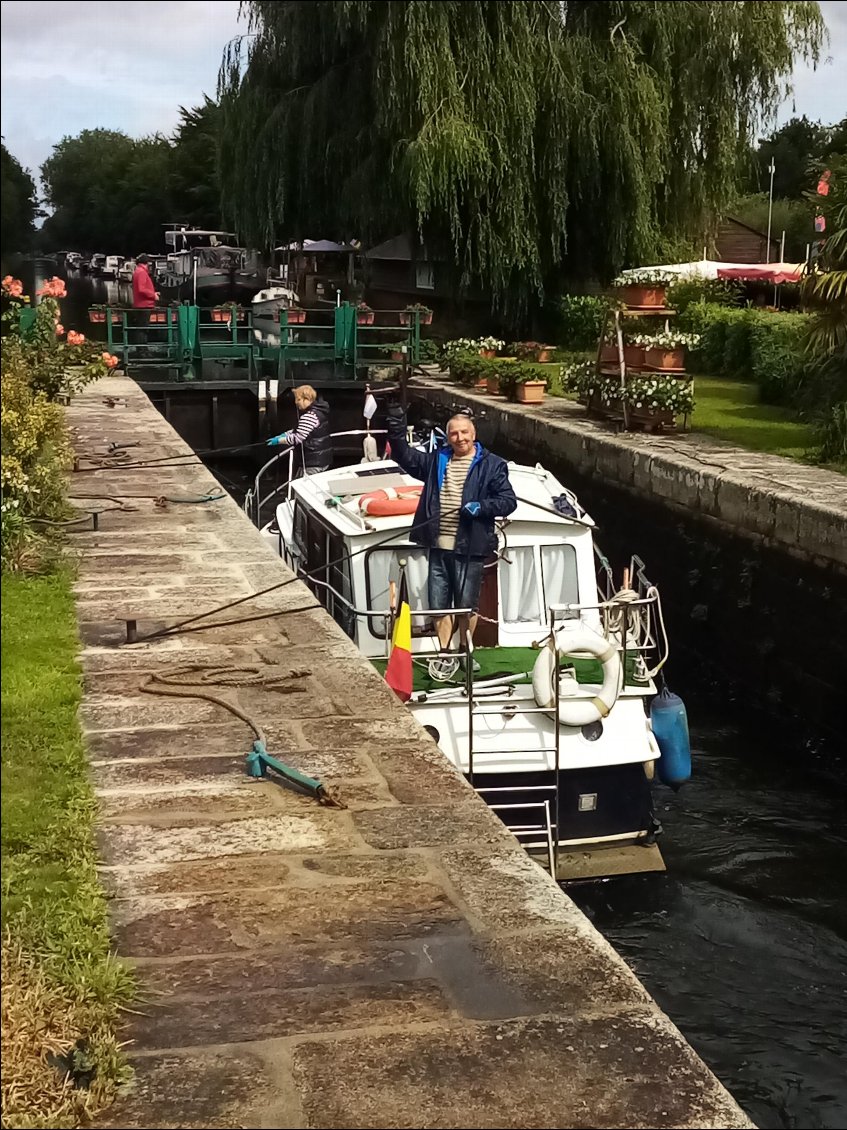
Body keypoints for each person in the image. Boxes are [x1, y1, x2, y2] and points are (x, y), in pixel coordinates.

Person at [386, 405, 517, 653]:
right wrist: (396, 424)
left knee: (467, 606)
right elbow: (404, 456)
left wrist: (481, 507)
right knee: (438, 605)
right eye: (454, 434)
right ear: (448, 437)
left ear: (474, 434)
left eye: (465, 432)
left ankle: (465, 651)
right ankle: (445, 652)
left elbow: (509, 501)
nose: (460, 438)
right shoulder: (437, 459)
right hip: (438, 546)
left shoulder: (493, 465)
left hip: (471, 547)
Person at [267, 384, 333, 475]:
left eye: (298, 399)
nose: (295, 402)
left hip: (313, 463)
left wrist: (278, 441)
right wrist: (284, 434)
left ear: (306, 399)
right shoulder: (319, 412)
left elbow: (297, 438)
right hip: (322, 460)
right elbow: (300, 430)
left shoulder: (309, 416)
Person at [131, 254, 159, 344]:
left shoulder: (138, 271)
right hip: (144, 305)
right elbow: (141, 289)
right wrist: (153, 296)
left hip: (140, 304)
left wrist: (154, 293)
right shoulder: (142, 272)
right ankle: (142, 350)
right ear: (146, 263)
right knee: (143, 329)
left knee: (141, 328)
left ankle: (141, 349)